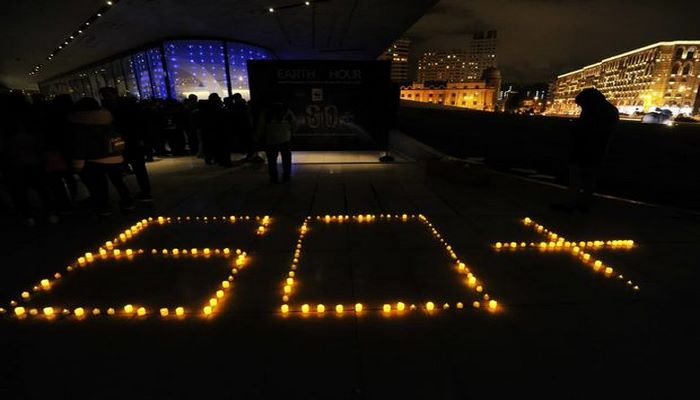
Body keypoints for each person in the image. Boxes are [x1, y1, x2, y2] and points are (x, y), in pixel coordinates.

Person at [553, 88, 619, 213]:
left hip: (584, 150)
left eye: (582, 105)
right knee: (590, 179)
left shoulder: (593, 111)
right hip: (598, 150)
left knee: (576, 178)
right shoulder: (610, 110)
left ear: (588, 101)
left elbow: (584, 130)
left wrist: (573, 127)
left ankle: (571, 204)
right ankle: (584, 205)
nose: (581, 108)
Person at [68, 97, 134, 215]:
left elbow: (80, 146)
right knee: (119, 182)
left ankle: (104, 207)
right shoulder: (107, 120)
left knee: (100, 185)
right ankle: (128, 202)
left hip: (95, 160)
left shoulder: (81, 124)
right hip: (115, 156)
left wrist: (78, 165)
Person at [0, 92, 56, 226]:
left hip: (13, 162)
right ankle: (51, 213)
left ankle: (28, 215)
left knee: (19, 190)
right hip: (35, 159)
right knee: (42, 187)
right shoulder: (33, 116)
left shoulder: (4, 120)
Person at [99, 87, 152, 202]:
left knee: (122, 167)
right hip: (131, 140)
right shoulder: (129, 105)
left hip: (121, 140)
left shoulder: (109, 108)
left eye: (106, 95)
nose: (105, 98)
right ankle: (145, 192)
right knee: (139, 167)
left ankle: (130, 195)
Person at [256, 101, 296, 183]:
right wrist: (291, 133)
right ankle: (286, 176)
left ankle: (274, 177)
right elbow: (294, 123)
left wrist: (258, 137)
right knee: (286, 159)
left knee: (272, 160)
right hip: (285, 138)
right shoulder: (288, 112)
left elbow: (261, 126)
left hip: (271, 139)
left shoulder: (266, 112)